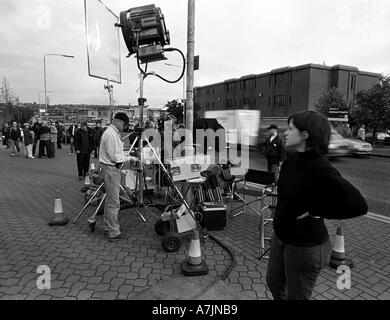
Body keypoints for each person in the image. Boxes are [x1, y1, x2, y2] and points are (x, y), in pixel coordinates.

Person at [266, 111, 368, 300]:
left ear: (305, 135)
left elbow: (359, 205)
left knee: (296, 297)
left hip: (305, 247)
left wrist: (317, 211)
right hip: (281, 238)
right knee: (274, 284)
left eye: (290, 129)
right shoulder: (290, 161)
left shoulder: (320, 168)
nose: (285, 133)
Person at [99, 112, 131, 241]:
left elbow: (117, 153)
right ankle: (114, 232)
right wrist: (130, 158)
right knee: (114, 203)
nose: (124, 127)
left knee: (110, 201)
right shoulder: (111, 134)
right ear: (117, 121)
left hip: (110, 169)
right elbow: (115, 157)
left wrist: (126, 156)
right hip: (111, 169)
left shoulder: (113, 133)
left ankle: (108, 227)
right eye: (124, 124)